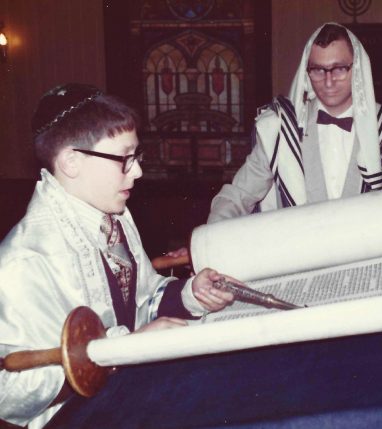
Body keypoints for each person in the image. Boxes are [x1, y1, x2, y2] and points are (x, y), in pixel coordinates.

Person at [0, 83, 235, 429]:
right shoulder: (25, 260)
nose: (137, 171)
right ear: (71, 162)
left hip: (126, 395)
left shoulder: (114, 216)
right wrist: (125, 349)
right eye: (124, 158)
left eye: (136, 157)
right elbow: (9, 391)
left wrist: (192, 293)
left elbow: (142, 298)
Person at [207, 22, 382, 222]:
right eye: (318, 70)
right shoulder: (280, 128)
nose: (328, 81)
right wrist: (204, 242)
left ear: (357, 68)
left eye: (339, 68)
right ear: (307, 72)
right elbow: (238, 194)